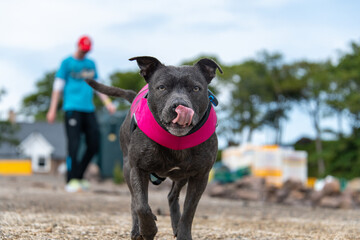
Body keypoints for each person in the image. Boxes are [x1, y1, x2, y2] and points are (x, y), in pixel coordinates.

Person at [47, 35, 116, 192]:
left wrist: (108, 103)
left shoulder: (90, 64)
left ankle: (78, 176)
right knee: (74, 145)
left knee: (94, 143)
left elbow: (97, 85)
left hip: (88, 109)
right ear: (77, 46)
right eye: (82, 49)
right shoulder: (67, 63)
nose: (84, 53)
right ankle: (70, 180)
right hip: (72, 109)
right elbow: (57, 87)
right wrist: (52, 109)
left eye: (87, 50)